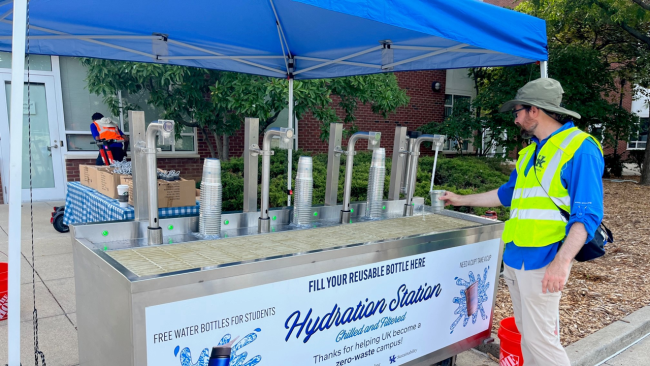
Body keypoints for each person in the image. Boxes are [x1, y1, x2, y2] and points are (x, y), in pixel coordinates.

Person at [440, 78, 604, 366]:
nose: (515, 119)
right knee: (529, 338)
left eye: (517, 111)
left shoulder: (581, 148)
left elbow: (587, 215)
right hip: (517, 258)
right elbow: (506, 195)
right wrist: (460, 198)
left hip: (544, 259)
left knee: (542, 343)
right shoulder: (530, 152)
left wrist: (562, 263)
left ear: (534, 110)